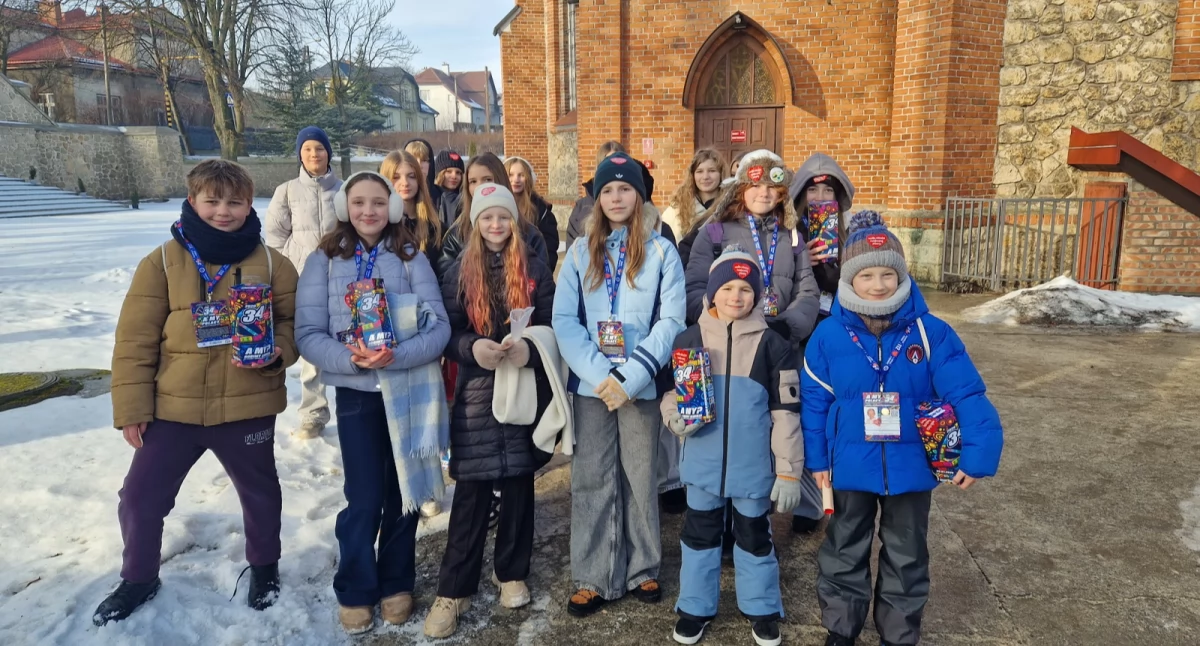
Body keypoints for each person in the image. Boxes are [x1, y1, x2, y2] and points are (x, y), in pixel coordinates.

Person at [95, 160, 299, 626]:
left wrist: (276, 353)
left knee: (261, 495)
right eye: (212, 201)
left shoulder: (272, 264)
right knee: (140, 498)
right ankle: (138, 577)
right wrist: (131, 408)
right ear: (192, 202)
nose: (223, 211)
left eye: (234, 202)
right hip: (173, 409)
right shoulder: (163, 262)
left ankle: (264, 567)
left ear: (250, 204)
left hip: (248, 405)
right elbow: (134, 340)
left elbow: (292, 327)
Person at [801, 212, 1003, 646]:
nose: (878, 284)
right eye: (867, 275)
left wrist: (977, 453)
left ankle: (898, 632)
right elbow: (815, 404)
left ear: (901, 275)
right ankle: (841, 627)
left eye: (888, 274)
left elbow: (967, 392)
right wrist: (817, 462)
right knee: (843, 548)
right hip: (849, 465)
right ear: (849, 280)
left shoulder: (931, 333)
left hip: (911, 466)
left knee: (907, 553)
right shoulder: (829, 336)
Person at [294, 171, 451, 634]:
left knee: (402, 493)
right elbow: (308, 333)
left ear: (394, 208)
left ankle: (397, 581)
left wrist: (396, 355)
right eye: (359, 202)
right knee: (363, 497)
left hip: (405, 392)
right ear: (345, 207)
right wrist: (351, 360)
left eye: (378, 203)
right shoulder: (322, 260)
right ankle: (357, 585)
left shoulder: (409, 257)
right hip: (357, 395)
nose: (369, 212)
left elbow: (438, 328)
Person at [553, 152, 685, 617]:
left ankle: (643, 567)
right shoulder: (577, 253)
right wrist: (599, 374)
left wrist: (631, 376)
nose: (615, 197)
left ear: (639, 195)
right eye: (607, 189)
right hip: (593, 389)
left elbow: (670, 319)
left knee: (640, 474)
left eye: (624, 188)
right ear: (597, 198)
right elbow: (565, 320)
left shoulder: (662, 251)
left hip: (640, 385)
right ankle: (593, 574)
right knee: (592, 478)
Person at [423, 183, 557, 638]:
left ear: (513, 221)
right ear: (475, 223)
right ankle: (453, 588)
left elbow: (551, 324)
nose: (496, 225)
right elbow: (448, 329)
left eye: (502, 217)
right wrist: (471, 346)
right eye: (487, 218)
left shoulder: (535, 266)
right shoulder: (459, 270)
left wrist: (531, 350)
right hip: (478, 392)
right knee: (472, 492)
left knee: (519, 484)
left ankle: (511, 571)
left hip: (522, 388)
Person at [662, 250, 803, 646]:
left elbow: (787, 413)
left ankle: (761, 608)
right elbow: (671, 392)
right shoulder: (689, 339)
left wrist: (789, 469)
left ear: (757, 295)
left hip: (752, 469)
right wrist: (673, 414)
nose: (736, 296)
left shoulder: (774, 346)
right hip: (703, 466)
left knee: (754, 537)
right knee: (699, 535)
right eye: (726, 287)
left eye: (745, 289)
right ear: (711, 293)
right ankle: (694, 606)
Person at [786, 152, 857, 534]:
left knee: (837, 418)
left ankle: (838, 495)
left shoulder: (850, 235)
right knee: (802, 418)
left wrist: (837, 265)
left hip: (838, 340)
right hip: (802, 340)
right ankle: (808, 504)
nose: (820, 198)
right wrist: (805, 260)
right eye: (813, 192)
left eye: (828, 189)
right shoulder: (789, 236)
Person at [684, 149, 820, 342]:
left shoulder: (793, 238)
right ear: (741, 189)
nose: (764, 193)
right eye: (755, 185)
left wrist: (787, 326)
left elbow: (807, 292)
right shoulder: (714, 233)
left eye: (772, 186)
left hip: (777, 343)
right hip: (725, 342)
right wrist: (721, 321)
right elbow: (694, 288)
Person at [264, 125, 341, 439]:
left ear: (328, 153)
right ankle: (313, 414)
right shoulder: (286, 191)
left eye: (319, 148)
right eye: (308, 149)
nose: (314, 154)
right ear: (300, 153)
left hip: (341, 279)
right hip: (303, 281)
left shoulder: (344, 189)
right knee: (311, 349)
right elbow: (275, 236)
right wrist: (289, 266)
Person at [437, 152, 549, 279]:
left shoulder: (530, 235)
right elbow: (446, 284)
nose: (479, 187)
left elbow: (543, 283)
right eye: (473, 181)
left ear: (501, 180)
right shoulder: (456, 236)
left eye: (487, 179)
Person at [380, 150, 444, 265]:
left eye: (411, 176)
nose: (405, 183)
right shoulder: (378, 226)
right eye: (396, 177)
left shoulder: (436, 228)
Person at [667, 148, 727, 267]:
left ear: (721, 174)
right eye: (699, 171)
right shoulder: (676, 208)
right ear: (692, 175)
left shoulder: (731, 206)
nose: (705, 177)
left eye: (712, 170)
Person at [506, 155, 562, 271]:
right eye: (510, 175)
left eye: (521, 175)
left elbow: (549, 250)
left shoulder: (541, 211)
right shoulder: (496, 206)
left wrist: (540, 276)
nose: (516, 179)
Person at [434, 149, 466, 229]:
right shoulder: (433, 197)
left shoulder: (465, 198)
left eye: (458, 172)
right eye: (448, 171)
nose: (454, 176)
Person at [404, 138, 442, 205]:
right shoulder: (395, 197)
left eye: (424, 160)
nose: (419, 164)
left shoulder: (442, 198)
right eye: (414, 159)